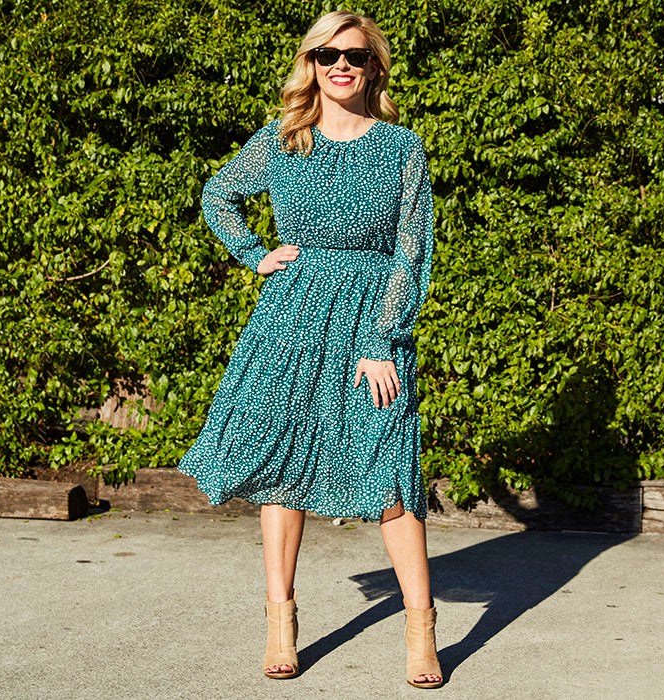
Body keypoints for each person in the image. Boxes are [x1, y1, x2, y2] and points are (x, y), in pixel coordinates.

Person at [177, 9, 442, 689]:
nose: (340, 65)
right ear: (311, 64)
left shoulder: (401, 147)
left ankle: (421, 632)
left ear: (374, 66)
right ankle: (281, 624)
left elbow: (413, 250)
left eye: (354, 54)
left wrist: (382, 338)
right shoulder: (283, 139)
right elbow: (218, 193)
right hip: (291, 317)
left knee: (389, 470)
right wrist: (254, 254)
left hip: (371, 319)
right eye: (327, 55)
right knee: (283, 465)